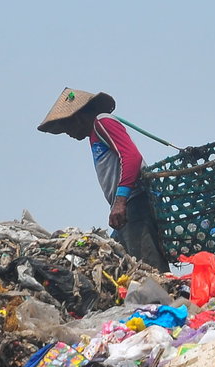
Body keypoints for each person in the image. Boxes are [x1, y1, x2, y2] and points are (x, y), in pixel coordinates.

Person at [38, 88, 170, 272]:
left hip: (135, 202)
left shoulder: (102, 122)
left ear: (77, 117)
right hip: (127, 208)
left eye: (66, 126)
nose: (67, 132)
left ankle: (164, 300)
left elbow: (132, 157)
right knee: (122, 265)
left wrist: (120, 201)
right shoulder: (94, 133)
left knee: (149, 270)